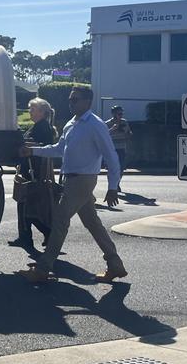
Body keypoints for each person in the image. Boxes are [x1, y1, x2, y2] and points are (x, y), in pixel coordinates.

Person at [18, 86, 127, 284]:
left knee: (59, 221)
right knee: (93, 223)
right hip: (71, 179)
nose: (71, 103)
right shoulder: (71, 124)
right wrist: (33, 151)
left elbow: (111, 156)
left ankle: (43, 269)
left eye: (75, 100)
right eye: (70, 100)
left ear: (88, 102)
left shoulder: (96, 125)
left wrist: (113, 186)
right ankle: (115, 264)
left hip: (82, 180)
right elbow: (59, 149)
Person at [9, 98, 58, 253]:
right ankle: (26, 237)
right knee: (26, 205)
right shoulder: (41, 126)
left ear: (42, 112)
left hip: (34, 171)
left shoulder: (42, 128)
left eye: (33, 109)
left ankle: (44, 233)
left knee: (28, 207)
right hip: (31, 169)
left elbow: (41, 147)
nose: (30, 112)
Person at [104, 105, 132, 175]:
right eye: (119, 114)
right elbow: (103, 135)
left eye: (122, 114)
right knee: (111, 167)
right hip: (112, 148)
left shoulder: (124, 122)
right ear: (113, 114)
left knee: (121, 167)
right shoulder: (107, 123)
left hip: (122, 147)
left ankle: (117, 183)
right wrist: (112, 129)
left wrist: (127, 132)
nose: (121, 116)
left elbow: (129, 133)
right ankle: (113, 184)